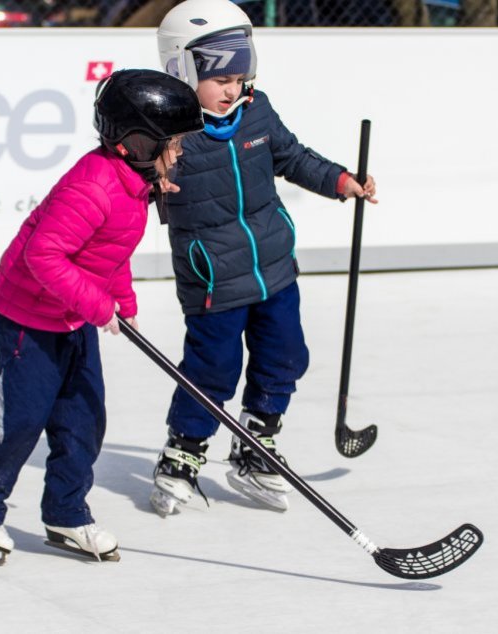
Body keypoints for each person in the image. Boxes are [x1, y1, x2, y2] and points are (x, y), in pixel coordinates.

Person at [0, 69, 204, 564]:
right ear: (139, 142)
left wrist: (123, 301)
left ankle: (66, 512)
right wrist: (100, 306)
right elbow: (44, 257)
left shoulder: (136, 185)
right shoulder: (94, 186)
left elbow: (109, 252)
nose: (180, 152)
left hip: (72, 315)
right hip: (26, 318)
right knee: (20, 420)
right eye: (175, 142)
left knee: (83, 419)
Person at [149, 0, 377, 517]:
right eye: (218, 78)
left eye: (239, 74)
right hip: (214, 280)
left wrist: (341, 181)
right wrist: (150, 182)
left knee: (286, 357)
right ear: (181, 69)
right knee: (212, 369)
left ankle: (257, 442)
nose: (231, 88)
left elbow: (292, 157)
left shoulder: (257, 110)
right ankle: (183, 452)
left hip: (273, 268)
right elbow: (128, 183)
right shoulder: (168, 132)